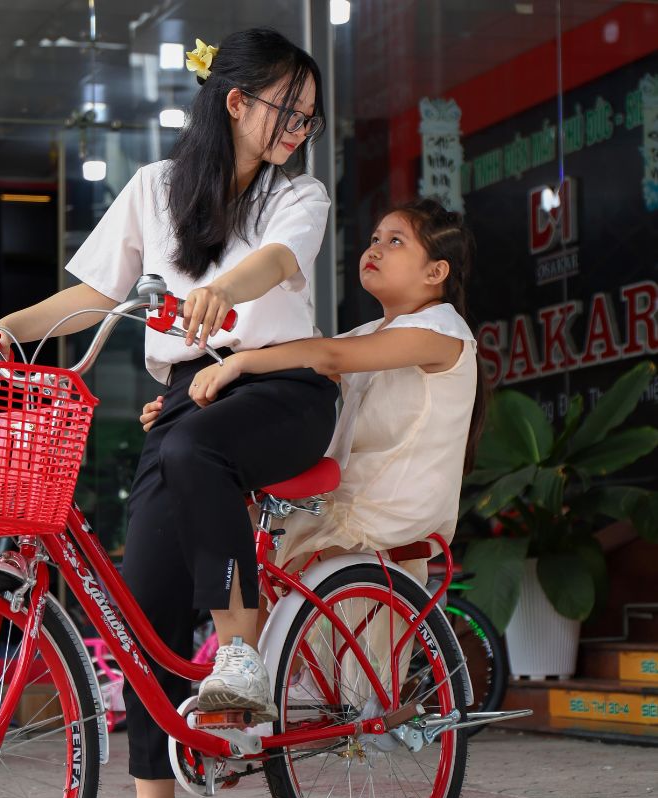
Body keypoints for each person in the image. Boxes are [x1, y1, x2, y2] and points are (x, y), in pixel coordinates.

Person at [0, 28, 339, 798]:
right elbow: (97, 291)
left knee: (191, 444)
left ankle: (240, 650)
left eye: (310, 117)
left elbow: (277, 262)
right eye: (288, 109)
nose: (299, 128)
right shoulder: (152, 190)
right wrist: (11, 329)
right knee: (140, 613)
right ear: (236, 102)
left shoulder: (300, 194)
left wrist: (223, 291)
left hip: (283, 390)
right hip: (186, 401)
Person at [144, 195, 483, 597]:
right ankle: (245, 636)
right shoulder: (370, 333)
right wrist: (186, 403)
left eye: (395, 241)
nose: (375, 249)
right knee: (240, 539)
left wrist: (236, 363)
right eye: (375, 239)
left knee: (256, 559)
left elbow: (326, 356)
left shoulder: (443, 331)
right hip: (349, 498)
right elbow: (299, 365)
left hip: (390, 506)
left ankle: (244, 635)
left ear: (436, 271)